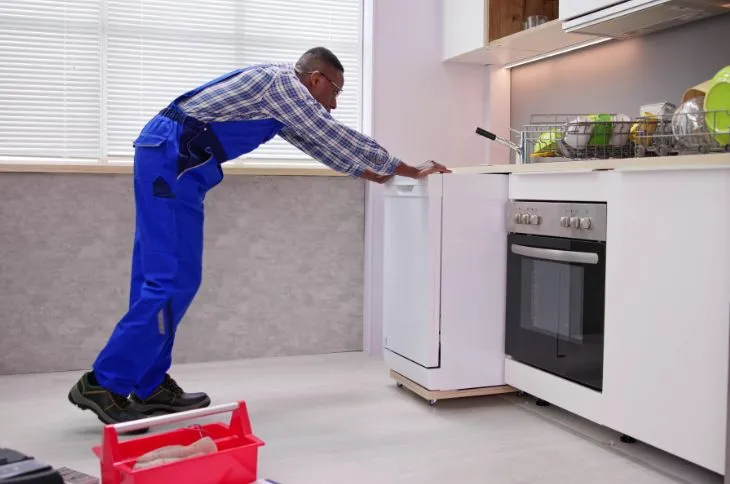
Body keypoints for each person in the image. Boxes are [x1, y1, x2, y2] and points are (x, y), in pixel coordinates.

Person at [68, 46, 451, 426]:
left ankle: (148, 385)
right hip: (171, 159)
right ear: (316, 80)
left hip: (175, 163)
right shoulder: (284, 86)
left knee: (175, 277)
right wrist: (411, 169)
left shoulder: (281, 96)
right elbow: (336, 135)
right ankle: (105, 383)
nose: (333, 104)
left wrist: (377, 174)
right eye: (334, 92)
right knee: (167, 280)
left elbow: (318, 145)